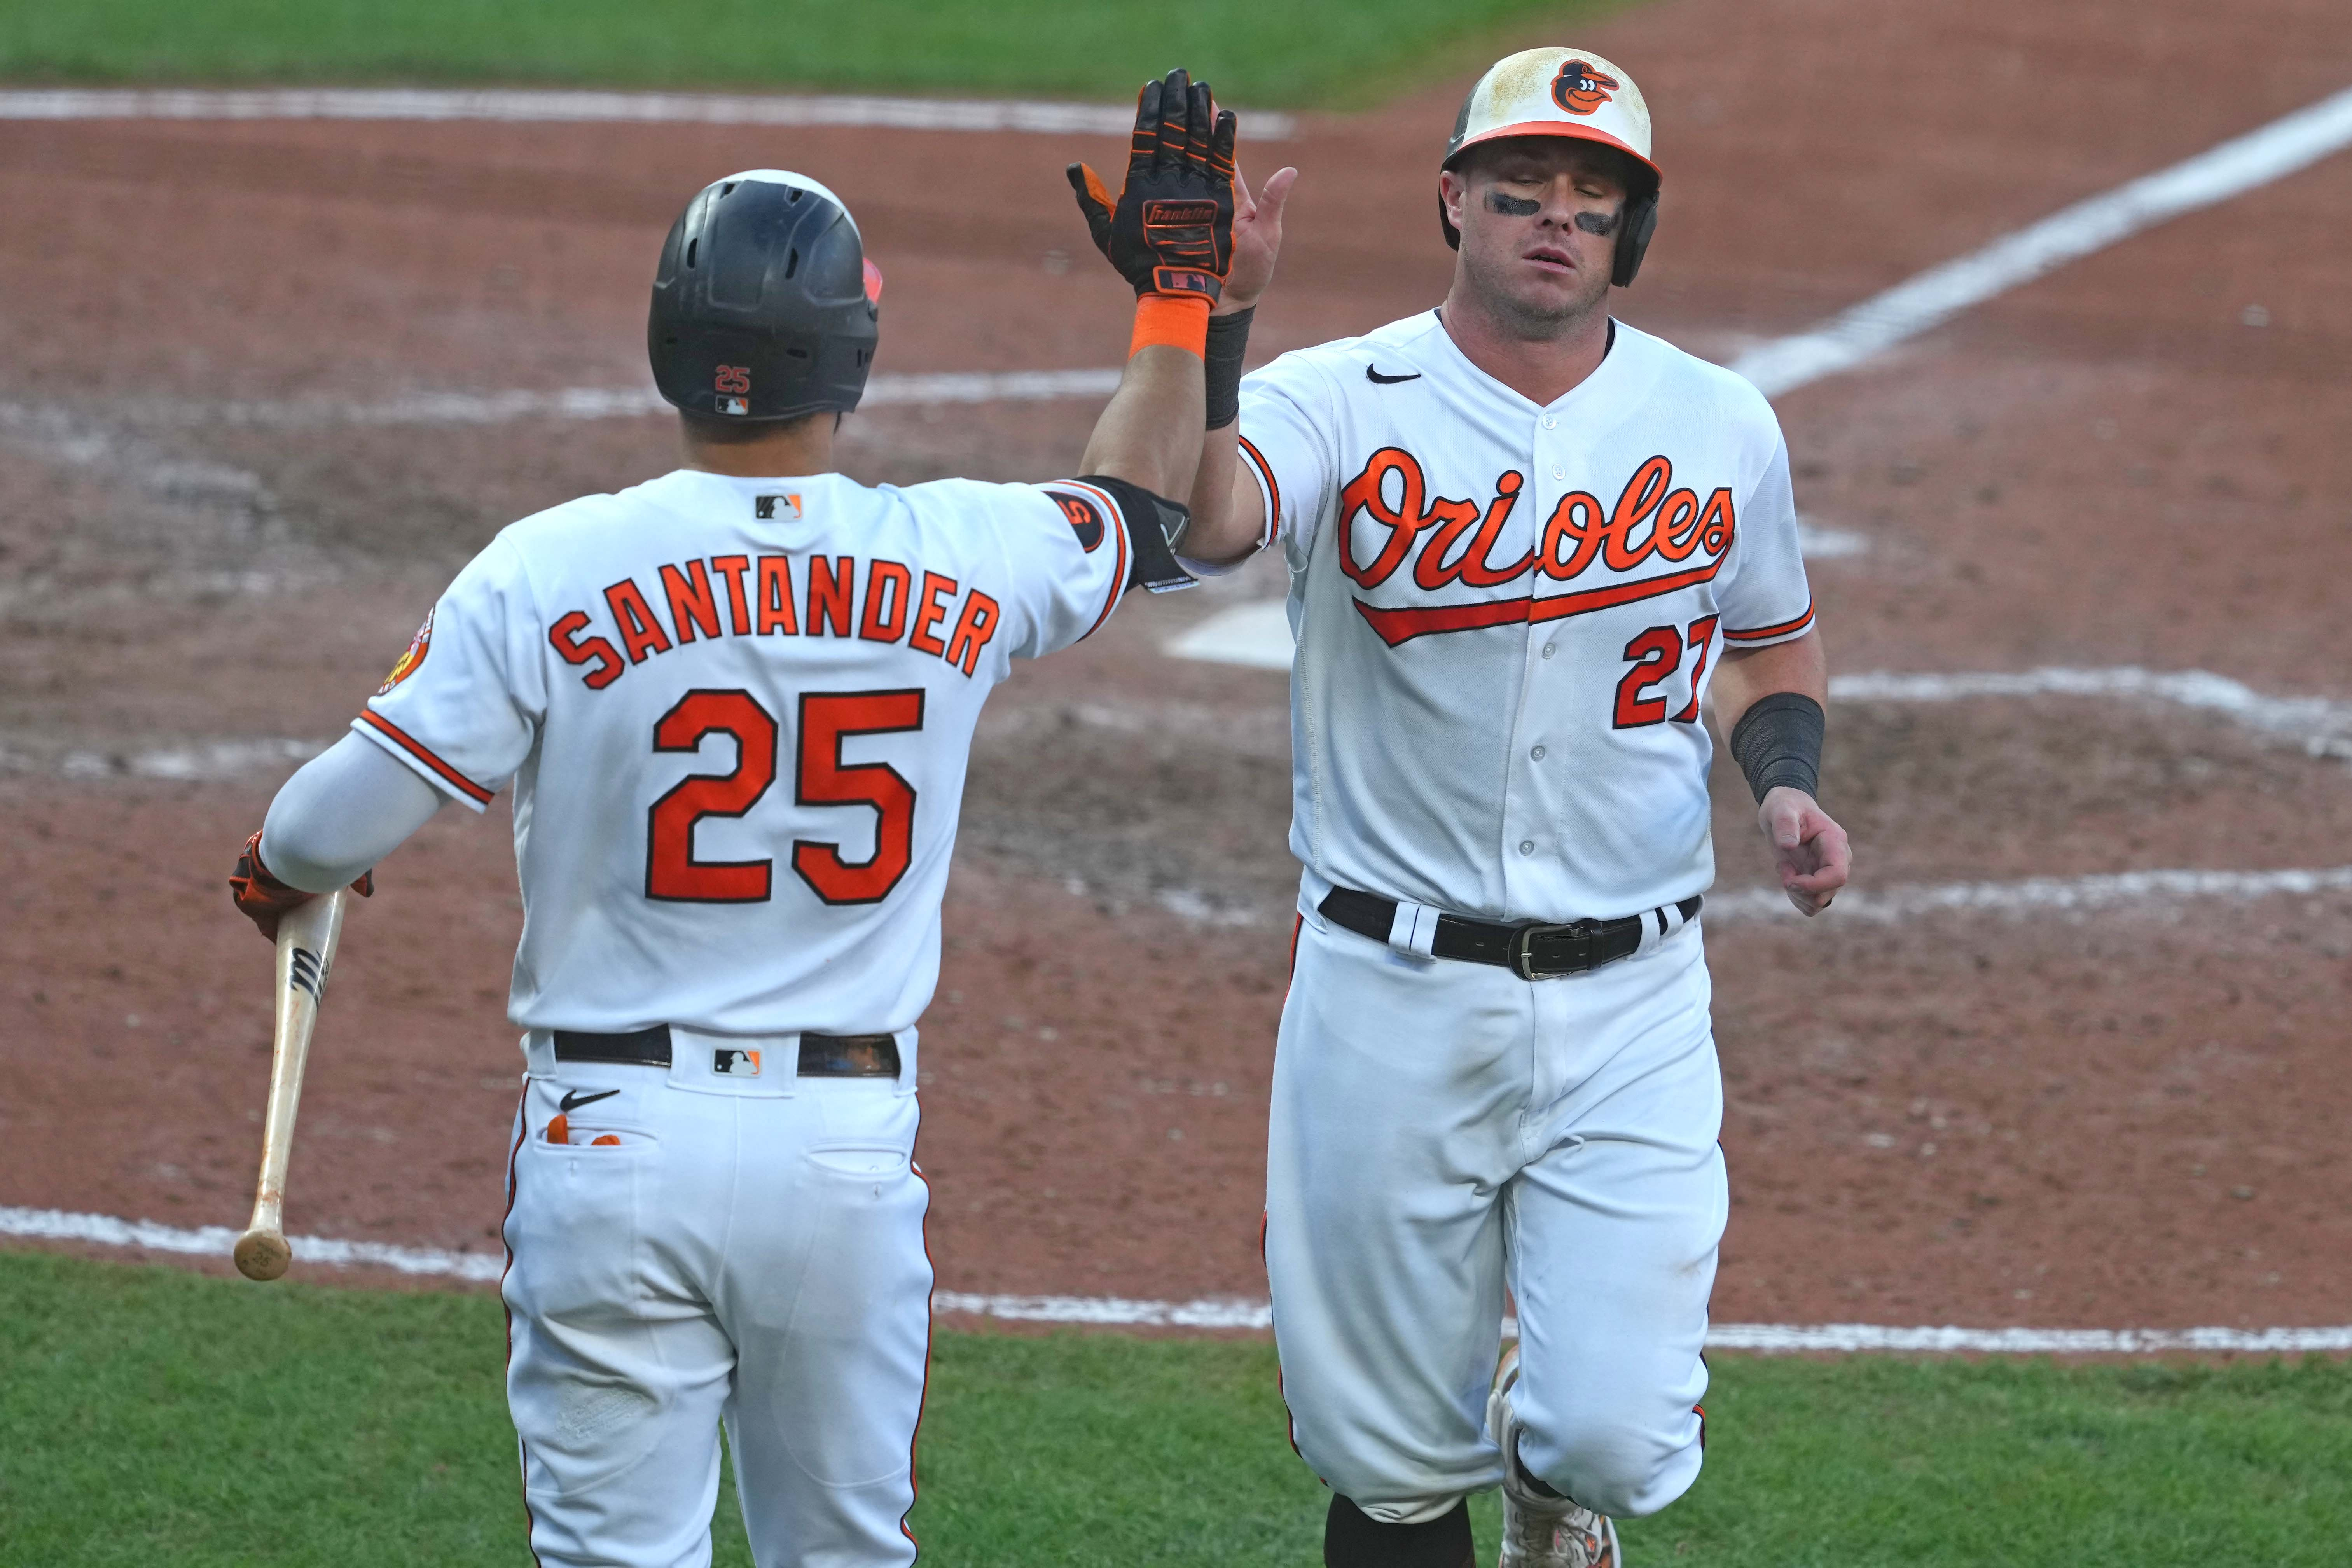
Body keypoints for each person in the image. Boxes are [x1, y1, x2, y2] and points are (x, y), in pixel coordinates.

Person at [227, 70, 1236, 1568]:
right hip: (843, 1149)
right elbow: (1144, 511)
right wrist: (1176, 296)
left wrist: (277, 878)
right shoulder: (966, 555)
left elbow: (328, 824)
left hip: (610, 1137)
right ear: (854, 352)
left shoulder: (549, 566)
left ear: (669, 346)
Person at [1171, 46, 1852, 1568]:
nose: (1556, 219)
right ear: (1452, 203)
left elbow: (1765, 646)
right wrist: (1205, 317)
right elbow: (1212, 518)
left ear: (1632, 230)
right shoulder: (1339, 397)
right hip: (1386, 993)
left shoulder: (1719, 421)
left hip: (1634, 997)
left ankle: (1554, 1479)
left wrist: (1785, 785)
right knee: (1389, 1462)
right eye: (1520, 190)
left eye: (1591, 198)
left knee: (1613, 1428)